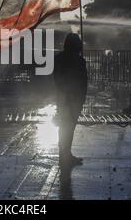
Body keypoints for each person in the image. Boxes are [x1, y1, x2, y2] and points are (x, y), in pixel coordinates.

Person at [54, 33, 87, 167]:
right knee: (69, 127)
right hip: (73, 99)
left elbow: (56, 78)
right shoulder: (78, 61)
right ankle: (65, 154)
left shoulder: (59, 58)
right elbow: (83, 81)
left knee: (64, 126)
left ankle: (64, 154)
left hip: (63, 98)